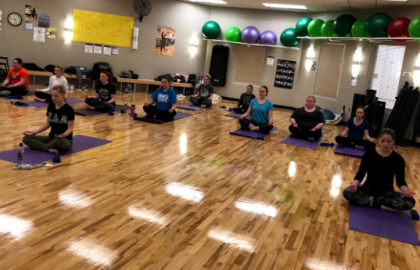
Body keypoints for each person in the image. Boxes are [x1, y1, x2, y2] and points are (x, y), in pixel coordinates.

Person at [343, 128, 416, 212]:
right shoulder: (369, 153)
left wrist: (406, 191)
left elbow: (400, 181)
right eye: (383, 140)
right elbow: (361, 173)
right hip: (368, 189)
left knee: (410, 202)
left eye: (389, 141)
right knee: (346, 192)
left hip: (387, 193)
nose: (385, 144)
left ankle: (372, 202)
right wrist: (355, 185)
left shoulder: (398, 159)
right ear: (378, 139)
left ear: (393, 141)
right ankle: (383, 206)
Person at [22, 85, 74, 154]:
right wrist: (34, 132)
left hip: (64, 140)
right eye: (52, 95)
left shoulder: (69, 110)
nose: (53, 98)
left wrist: (63, 135)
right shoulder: (51, 106)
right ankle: (47, 148)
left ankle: (42, 147)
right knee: (26, 138)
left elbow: (70, 129)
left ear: (63, 96)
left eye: (56, 96)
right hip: (51, 137)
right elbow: (47, 124)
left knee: (57, 142)